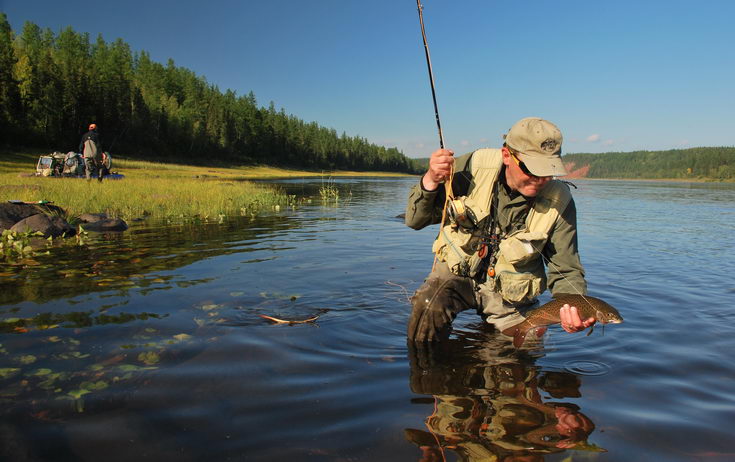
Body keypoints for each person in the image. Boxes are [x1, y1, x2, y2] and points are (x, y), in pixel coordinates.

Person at [405, 117, 595, 343]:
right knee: (426, 311)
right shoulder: (473, 167)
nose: (541, 179)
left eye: (548, 170)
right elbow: (416, 220)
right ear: (507, 156)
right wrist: (430, 180)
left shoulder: (559, 200)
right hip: (458, 276)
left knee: (526, 348)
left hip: (511, 296)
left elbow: (566, 268)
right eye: (532, 169)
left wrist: (572, 306)